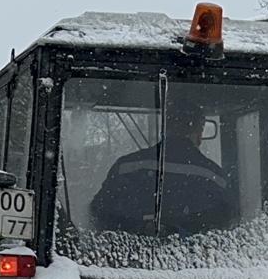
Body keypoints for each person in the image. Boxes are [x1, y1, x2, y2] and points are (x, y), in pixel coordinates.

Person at [88, 88, 238, 235]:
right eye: (201, 128)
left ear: (166, 126)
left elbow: (99, 213)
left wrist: (137, 229)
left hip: (128, 258)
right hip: (199, 259)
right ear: (199, 130)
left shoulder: (126, 167)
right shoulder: (215, 178)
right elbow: (229, 226)